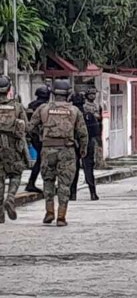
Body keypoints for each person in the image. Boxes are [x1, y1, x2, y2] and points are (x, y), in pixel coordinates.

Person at [29, 79, 88, 227]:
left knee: (48, 181)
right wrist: (83, 149)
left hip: (47, 149)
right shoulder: (75, 111)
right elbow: (83, 133)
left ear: (53, 93)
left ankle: (49, 211)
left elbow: (30, 127)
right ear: (68, 94)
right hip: (67, 151)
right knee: (64, 184)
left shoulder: (43, 109)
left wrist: (41, 136)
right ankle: (61, 216)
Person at [0, 76, 28, 224]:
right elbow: (26, 128)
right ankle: (10, 197)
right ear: (9, 89)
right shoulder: (17, 107)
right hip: (13, 147)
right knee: (16, 174)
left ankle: (0, 216)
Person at [25, 85, 50, 193]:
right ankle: (32, 183)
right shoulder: (46, 107)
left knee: (41, 160)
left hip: (33, 136)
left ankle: (32, 182)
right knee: (43, 161)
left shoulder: (31, 105)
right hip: (42, 137)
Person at [84, 86, 104, 169]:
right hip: (88, 128)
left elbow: (100, 116)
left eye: (94, 94)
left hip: (97, 128)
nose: (92, 96)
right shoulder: (85, 105)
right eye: (90, 94)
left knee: (98, 145)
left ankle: (99, 162)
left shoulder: (97, 105)